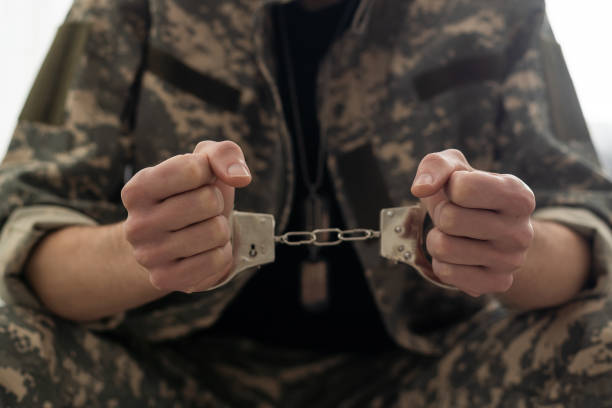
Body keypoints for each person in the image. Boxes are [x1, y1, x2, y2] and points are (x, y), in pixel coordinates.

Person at [1, 0, 612, 406]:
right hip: (164, 373)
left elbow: (585, 224)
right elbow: (24, 226)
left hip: (431, 376)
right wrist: (144, 254)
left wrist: (502, 249)